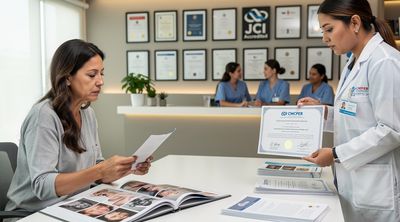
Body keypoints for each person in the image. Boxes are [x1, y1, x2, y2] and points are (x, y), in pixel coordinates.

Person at [5, 39, 152, 214]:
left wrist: (126, 168)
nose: (100, 82)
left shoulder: (87, 113)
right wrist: (99, 171)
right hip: (33, 214)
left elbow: (95, 164)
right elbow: (43, 186)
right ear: (67, 77)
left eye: (101, 74)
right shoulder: (43, 116)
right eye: (92, 75)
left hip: (73, 205)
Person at [297, 0, 400, 221]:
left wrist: (335, 154)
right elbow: (357, 116)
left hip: (376, 189)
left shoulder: (384, 62)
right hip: (353, 183)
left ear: (354, 22)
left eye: (329, 30)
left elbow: (391, 130)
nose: (325, 39)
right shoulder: (353, 63)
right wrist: (325, 113)